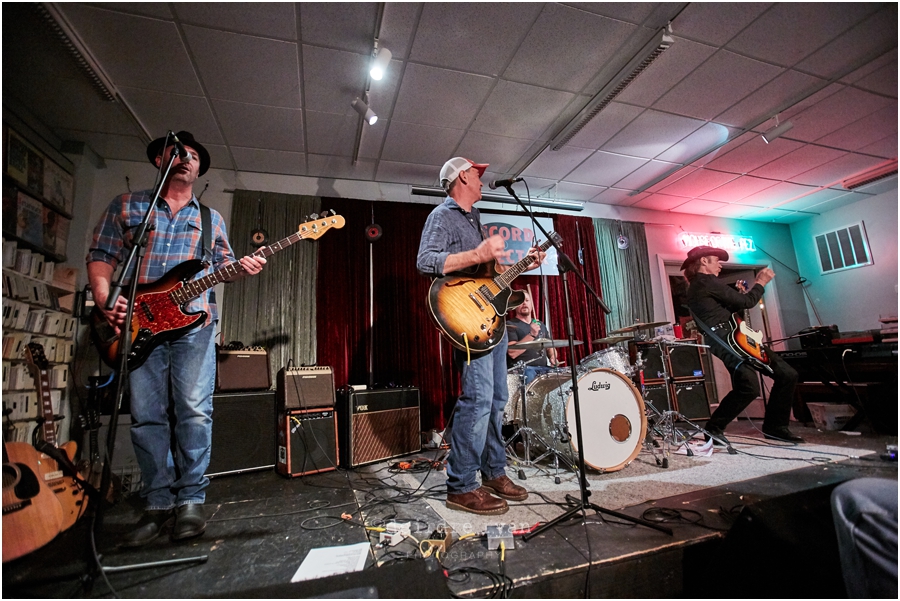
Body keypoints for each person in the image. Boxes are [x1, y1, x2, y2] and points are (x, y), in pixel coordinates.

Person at [87, 131, 266, 546]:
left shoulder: (211, 219)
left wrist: (243, 267)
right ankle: (156, 503)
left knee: (193, 411)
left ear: (199, 168)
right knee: (148, 414)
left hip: (194, 329)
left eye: (194, 155)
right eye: (177, 151)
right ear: (160, 160)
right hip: (138, 325)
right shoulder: (129, 206)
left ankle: (190, 501)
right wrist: (103, 299)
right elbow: (102, 256)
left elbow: (225, 266)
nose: (186, 158)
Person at [417, 157, 544, 515]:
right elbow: (426, 260)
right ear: (461, 177)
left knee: (497, 398)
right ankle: (461, 485)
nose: (482, 179)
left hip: (494, 320)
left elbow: (491, 280)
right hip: (469, 321)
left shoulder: (475, 220)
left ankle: (493, 471)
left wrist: (523, 264)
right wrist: (477, 252)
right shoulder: (442, 216)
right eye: (477, 174)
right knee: (477, 398)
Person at [682, 245, 802, 445]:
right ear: (704, 261)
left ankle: (719, 428)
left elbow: (728, 309)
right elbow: (747, 302)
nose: (720, 265)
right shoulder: (706, 281)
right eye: (716, 260)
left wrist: (738, 297)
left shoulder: (698, 286)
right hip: (732, 342)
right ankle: (773, 427)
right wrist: (761, 282)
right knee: (780, 376)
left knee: (751, 385)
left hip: (727, 341)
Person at [507, 289, 561, 384]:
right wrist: (532, 334)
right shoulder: (510, 325)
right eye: (521, 301)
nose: (524, 304)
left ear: (532, 304)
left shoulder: (540, 324)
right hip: (524, 370)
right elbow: (512, 352)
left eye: (527, 301)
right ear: (515, 305)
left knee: (561, 376)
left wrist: (553, 357)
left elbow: (550, 347)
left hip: (543, 369)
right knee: (529, 374)